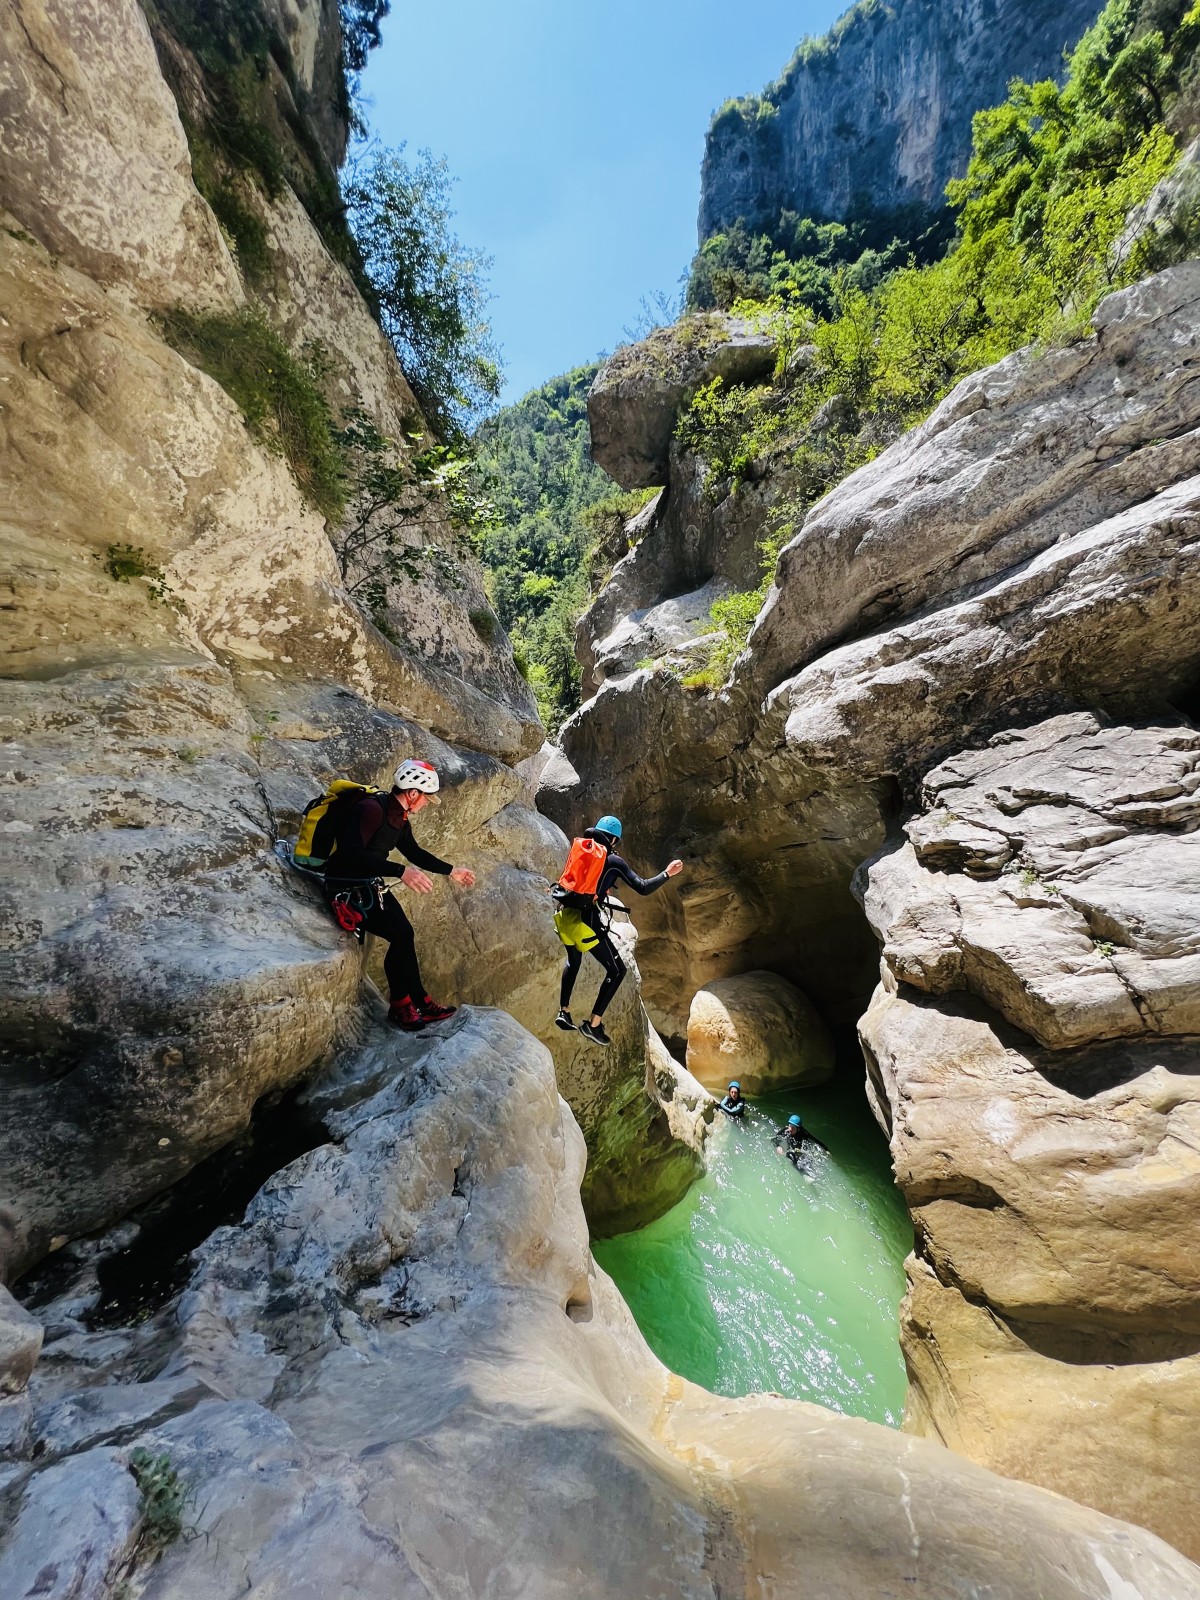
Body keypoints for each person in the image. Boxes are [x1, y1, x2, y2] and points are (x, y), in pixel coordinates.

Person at [323, 759, 476, 1032]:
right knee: (401, 934)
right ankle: (402, 1005)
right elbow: (350, 853)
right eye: (426, 798)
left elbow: (414, 852)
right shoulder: (372, 809)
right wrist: (400, 871)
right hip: (345, 886)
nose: (427, 804)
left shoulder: (398, 817)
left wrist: (452, 871)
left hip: (366, 883)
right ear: (413, 793)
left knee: (404, 933)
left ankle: (420, 1001)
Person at [553, 815, 682, 1047]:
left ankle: (564, 1011)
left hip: (564, 917)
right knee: (617, 971)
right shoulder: (613, 861)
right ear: (613, 840)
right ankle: (593, 1025)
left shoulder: (583, 851)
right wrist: (667, 874)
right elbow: (642, 887)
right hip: (586, 924)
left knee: (574, 961)